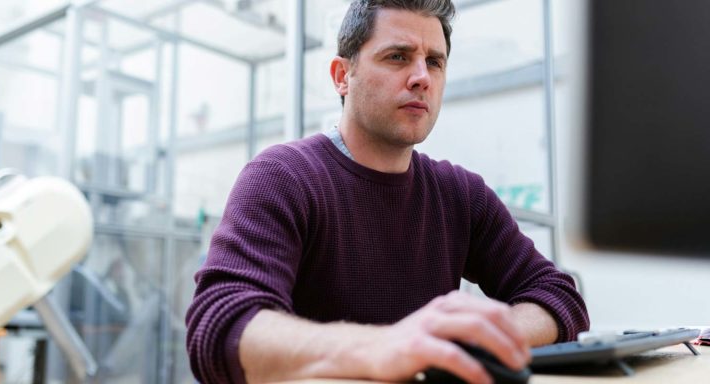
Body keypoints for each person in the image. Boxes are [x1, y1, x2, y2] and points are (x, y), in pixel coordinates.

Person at [185, 1, 589, 383]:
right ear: (343, 76)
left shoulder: (461, 194)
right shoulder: (283, 176)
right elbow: (221, 327)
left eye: (434, 61)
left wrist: (478, 335)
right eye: (397, 56)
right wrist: (383, 346)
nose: (421, 77)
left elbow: (558, 295)